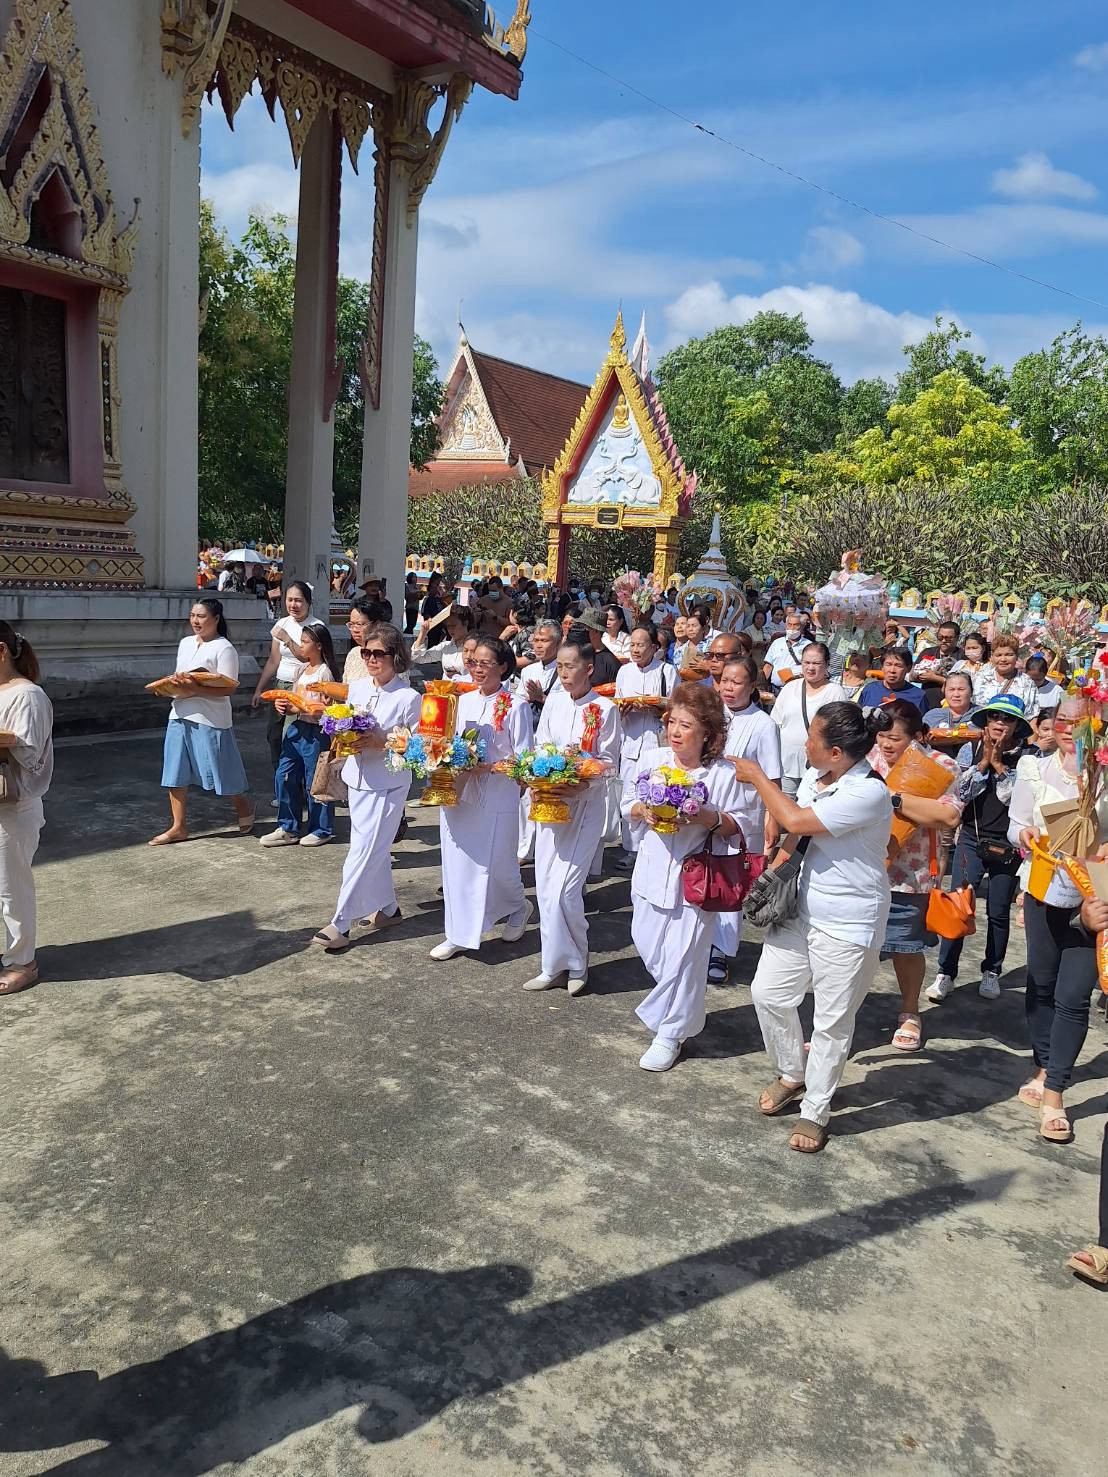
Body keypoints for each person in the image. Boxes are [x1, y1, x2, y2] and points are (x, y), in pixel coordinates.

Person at [732, 704, 892, 1153]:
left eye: (813, 737)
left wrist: (760, 778)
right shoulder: (816, 779)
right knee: (768, 993)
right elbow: (795, 835)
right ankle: (792, 1071)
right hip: (803, 909)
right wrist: (772, 875)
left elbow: (798, 820)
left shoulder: (868, 793)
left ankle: (815, 1111)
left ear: (836, 752)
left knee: (831, 1023)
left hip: (849, 923)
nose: (805, 743)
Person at [624, 684, 746, 1071]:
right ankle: (679, 1012)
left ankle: (670, 1033)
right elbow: (627, 802)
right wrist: (642, 809)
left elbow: (740, 824)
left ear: (707, 732)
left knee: (685, 959)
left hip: (697, 877)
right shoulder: (655, 757)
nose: (675, 732)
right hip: (651, 869)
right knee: (648, 947)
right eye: (672, 722)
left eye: (686, 725)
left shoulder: (723, 774)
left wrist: (704, 815)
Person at [1008, 702, 1108, 1142]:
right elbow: (1016, 825)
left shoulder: (1103, 779)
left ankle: (1055, 1091)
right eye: (1064, 720)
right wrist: (1025, 835)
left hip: (1094, 898)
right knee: (1042, 984)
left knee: (1074, 996)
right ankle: (1044, 1061)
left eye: (1083, 721)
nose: (1071, 729)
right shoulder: (1033, 767)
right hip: (1044, 889)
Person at [313, 625, 421, 950]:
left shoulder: (409, 698)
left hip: (388, 786)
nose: (372, 659)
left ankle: (340, 923)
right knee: (370, 850)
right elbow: (341, 722)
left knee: (361, 854)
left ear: (395, 657)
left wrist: (382, 740)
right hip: (356, 782)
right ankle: (388, 909)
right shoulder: (358, 688)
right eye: (367, 653)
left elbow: (418, 747)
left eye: (379, 654)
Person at [522, 642, 620, 996]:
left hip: (583, 808)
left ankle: (578, 963)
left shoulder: (605, 709)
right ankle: (552, 965)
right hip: (549, 805)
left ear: (589, 668)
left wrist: (579, 784)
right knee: (547, 891)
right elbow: (540, 746)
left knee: (566, 891)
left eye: (570, 666)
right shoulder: (555, 700)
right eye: (559, 667)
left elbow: (610, 763)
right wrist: (536, 777)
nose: (563, 673)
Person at [430, 638, 534, 961]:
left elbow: (524, 760)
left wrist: (488, 766)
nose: (477, 669)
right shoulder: (463, 700)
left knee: (500, 867)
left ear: (503, 667)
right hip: (460, 793)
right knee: (458, 863)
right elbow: (448, 739)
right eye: (473, 662)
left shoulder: (515, 706)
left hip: (497, 794)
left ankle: (518, 906)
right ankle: (458, 933)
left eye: (485, 664)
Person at [868, 701, 963, 1050]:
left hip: (912, 874)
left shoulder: (941, 766)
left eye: (895, 738)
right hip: (863, 870)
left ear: (918, 737)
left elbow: (947, 816)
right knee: (854, 947)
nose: (887, 745)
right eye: (881, 736)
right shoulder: (866, 760)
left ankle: (910, 1011)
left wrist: (889, 797)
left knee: (904, 948)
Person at [927, 694, 1031, 1003]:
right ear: (985, 721)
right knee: (958, 903)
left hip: (1008, 845)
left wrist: (999, 766)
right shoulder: (968, 749)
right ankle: (945, 972)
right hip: (971, 838)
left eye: (1008, 719)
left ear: (1018, 726)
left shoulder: (1028, 757)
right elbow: (959, 792)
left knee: (998, 911)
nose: (1000, 723)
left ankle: (992, 971)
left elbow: (1018, 800)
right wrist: (984, 762)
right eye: (994, 716)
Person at [151, 598, 254, 845]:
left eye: (202, 616)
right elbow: (180, 678)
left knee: (221, 769)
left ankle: (244, 807)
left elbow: (228, 689)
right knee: (174, 771)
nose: (196, 621)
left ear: (216, 619)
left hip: (211, 718)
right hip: (179, 713)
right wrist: (172, 687)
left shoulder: (224, 648)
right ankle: (178, 826)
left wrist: (195, 690)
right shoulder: (185, 643)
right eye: (193, 615)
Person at [710, 655, 782, 983]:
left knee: (731, 882)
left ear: (752, 686)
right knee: (704, 874)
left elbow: (773, 780)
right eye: (725, 680)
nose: (728, 687)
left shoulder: (764, 725)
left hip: (744, 815)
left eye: (736, 682)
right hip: (707, 809)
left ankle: (721, 952)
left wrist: (772, 821)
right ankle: (701, 941)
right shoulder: (711, 716)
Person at [0, 622, 53, 996]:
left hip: (13, 806)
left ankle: (23, 962)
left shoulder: (28, 696)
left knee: (11, 888)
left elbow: (30, 752)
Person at [260, 620, 338, 848]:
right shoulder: (301, 670)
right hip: (297, 728)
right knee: (285, 775)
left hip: (316, 732)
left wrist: (300, 707)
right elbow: (293, 698)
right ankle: (288, 826)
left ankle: (321, 828)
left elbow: (327, 709)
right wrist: (282, 706)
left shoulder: (325, 673)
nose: (301, 646)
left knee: (317, 781)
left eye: (305, 642)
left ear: (319, 646)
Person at [613, 624, 677, 872]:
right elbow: (618, 702)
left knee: (655, 791)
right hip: (630, 739)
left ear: (654, 647)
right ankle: (631, 848)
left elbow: (674, 706)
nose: (636, 650)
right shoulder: (624, 672)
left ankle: (654, 844)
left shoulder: (666, 672)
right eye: (632, 645)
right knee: (631, 794)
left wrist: (656, 709)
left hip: (655, 740)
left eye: (641, 645)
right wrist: (623, 710)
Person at [251, 580, 314, 770]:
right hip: (281, 685)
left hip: (300, 687)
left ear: (308, 603)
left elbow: (307, 658)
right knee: (274, 734)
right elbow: (273, 659)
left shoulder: (315, 626)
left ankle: (295, 784)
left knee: (291, 735)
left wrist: (287, 639)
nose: (293, 605)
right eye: (289, 600)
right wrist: (259, 689)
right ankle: (281, 781)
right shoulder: (281, 624)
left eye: (299, 600)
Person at [770, 643, 846, 798]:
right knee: (784, 812)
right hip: (786, 765)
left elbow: (841, 733)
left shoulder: (835, 693)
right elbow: (774, 724)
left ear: (826, 665)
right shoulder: (790, 688)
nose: (811, 668)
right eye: (806, 662)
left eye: (816, 663)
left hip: (819, 769)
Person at [972, 633, 1040, 719]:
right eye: (999, 655)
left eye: (1009, 655)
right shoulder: (980, 678)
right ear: (992, 657)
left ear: (1016, 657)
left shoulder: (1027, 682)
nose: (1003, 659)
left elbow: (1032, 716)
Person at [858, 645, 929, 716]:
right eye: (888, 665)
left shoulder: (918, 696)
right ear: (882, 667)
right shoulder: (870, 689)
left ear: (908, 668)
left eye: (898, 666)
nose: (892, 670)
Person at [412, 606, 476, 679]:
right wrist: (423, 633)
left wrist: (460, 676)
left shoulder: (477, 647)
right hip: (446, 689)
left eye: (453, 625)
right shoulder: (445, 647)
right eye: (448, 626)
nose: (450, 629)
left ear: (465, 623)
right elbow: (418, 658)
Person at [342, 597, 393, 684]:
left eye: (360, 624)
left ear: (376, 624)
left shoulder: (389, 654)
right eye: (351, 624)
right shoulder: (353, 653)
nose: (355, 629)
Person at [566, 610, 620, 687]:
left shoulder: (610, 663)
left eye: (584, 628)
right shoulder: (577, 653)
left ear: (596, 632)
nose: (579, 631)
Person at [762, 613, 811, 692]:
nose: (792, 628)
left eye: (795, 625)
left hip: (797, 689)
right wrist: (762, 686)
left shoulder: (808, 645)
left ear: (802, 626)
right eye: (789, 624)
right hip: (776, 689)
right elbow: (768, 666)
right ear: (785, 625)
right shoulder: (777, 643)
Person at [923, 671, 978, 735]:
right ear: (944, 692)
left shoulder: (982, 715)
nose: (956, 694)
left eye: (961, 689)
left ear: (971, 692)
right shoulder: (932, 716)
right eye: (951, 689)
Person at [910, 621, 963, 685]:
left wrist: (935, 678)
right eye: (940, 637)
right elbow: (911, 677)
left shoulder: (962, 656)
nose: (943, 641)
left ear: (957, 638)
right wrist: (923, 675)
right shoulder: (927, 652)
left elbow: (961, 683)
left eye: (948, 638)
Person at [474, 575, 512, 640]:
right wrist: (476, 614)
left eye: (494, 591)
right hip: (481, 638)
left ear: (501, 588)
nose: (492, 593)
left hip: (498, 640)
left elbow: (510, 623)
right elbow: (474, 619)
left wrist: (495, 617)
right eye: (490, 591)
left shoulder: (509, 603)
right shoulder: (483, 600)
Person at [419, 572, 448, 644]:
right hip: (432, 628)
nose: (438, 588)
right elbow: (425, 613)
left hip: (439, 628)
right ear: (432, 584)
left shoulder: (438, 599)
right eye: (437, 584)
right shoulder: (428, 598)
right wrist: (432, 622)